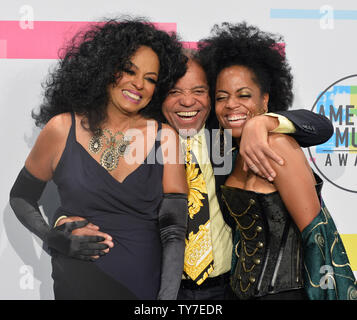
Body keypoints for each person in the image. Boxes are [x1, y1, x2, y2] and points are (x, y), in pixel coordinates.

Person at [57, 46, 335, 300]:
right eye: (175, 92)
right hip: (161, 288)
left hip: (231, 289)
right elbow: (87, 193)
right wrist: (60, 222)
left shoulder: (231, 136)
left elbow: (320, 126)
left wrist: (264, 121)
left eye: (199, 91)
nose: (187, 102)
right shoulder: (139, 143)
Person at [9, 17, 190, 300]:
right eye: (129, 70)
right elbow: (20, 197)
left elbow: (174, 233)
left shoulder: (165, 138)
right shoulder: (61, 129)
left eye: (151, 79)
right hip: (75, 285)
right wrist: (51, 237)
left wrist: (166, 300)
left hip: (141, 288)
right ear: (105, 68)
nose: (139, 84)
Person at [198, 21, 357, 300]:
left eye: (244, 95)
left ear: (265, 100)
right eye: (221, 97)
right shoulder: (226, 152)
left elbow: (316, 238)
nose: (231, 104)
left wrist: (263, 123)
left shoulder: (278, 143)